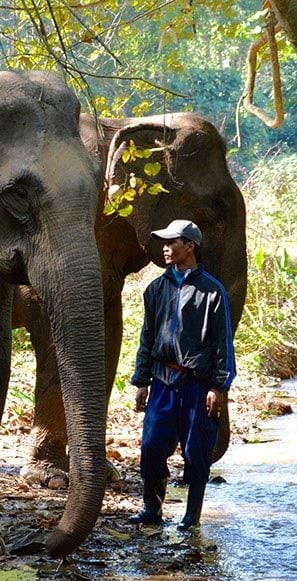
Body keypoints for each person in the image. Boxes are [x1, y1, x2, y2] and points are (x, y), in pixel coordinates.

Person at [129, 219, 236, 531]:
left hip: (198, 386)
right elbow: (147, 338)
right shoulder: (155, 289)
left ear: (190, 246)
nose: (165, 247)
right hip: (162, 382)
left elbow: (222, 343)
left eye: (172, 242)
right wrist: (142, 380)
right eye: (163, 242)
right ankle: (152, 508)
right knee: (150, 448)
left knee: (196, 452)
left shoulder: (213, 292)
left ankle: (192, 516)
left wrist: (219, 386)